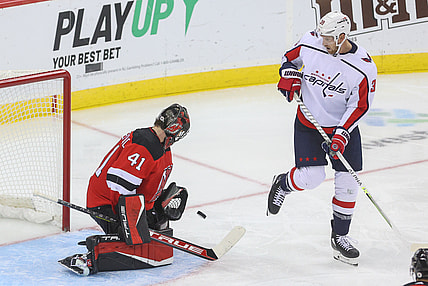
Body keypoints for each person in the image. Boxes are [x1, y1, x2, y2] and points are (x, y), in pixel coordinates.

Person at [266, 11, 377, 266]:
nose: (322, 41)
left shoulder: (363, 67)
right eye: (321, 36)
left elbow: (359, 106)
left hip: (342, 128)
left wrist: (341, 135)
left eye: (328, 38)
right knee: (312, 177)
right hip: (308, 123)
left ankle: (340, 236)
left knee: (348, 183)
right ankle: (283, 184)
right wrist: (289, 76)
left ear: (341, 37)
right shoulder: (311, 42)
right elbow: (288, 60)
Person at [59, 103, 191, 275]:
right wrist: (131, 221)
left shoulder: (159, 145)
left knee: (152, 236)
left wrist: (154, 207)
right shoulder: (145, 144)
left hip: (129, 203)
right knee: (135, 243)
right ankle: (90, 258)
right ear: (174, 129)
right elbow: (119, 184)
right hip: (107, 203)